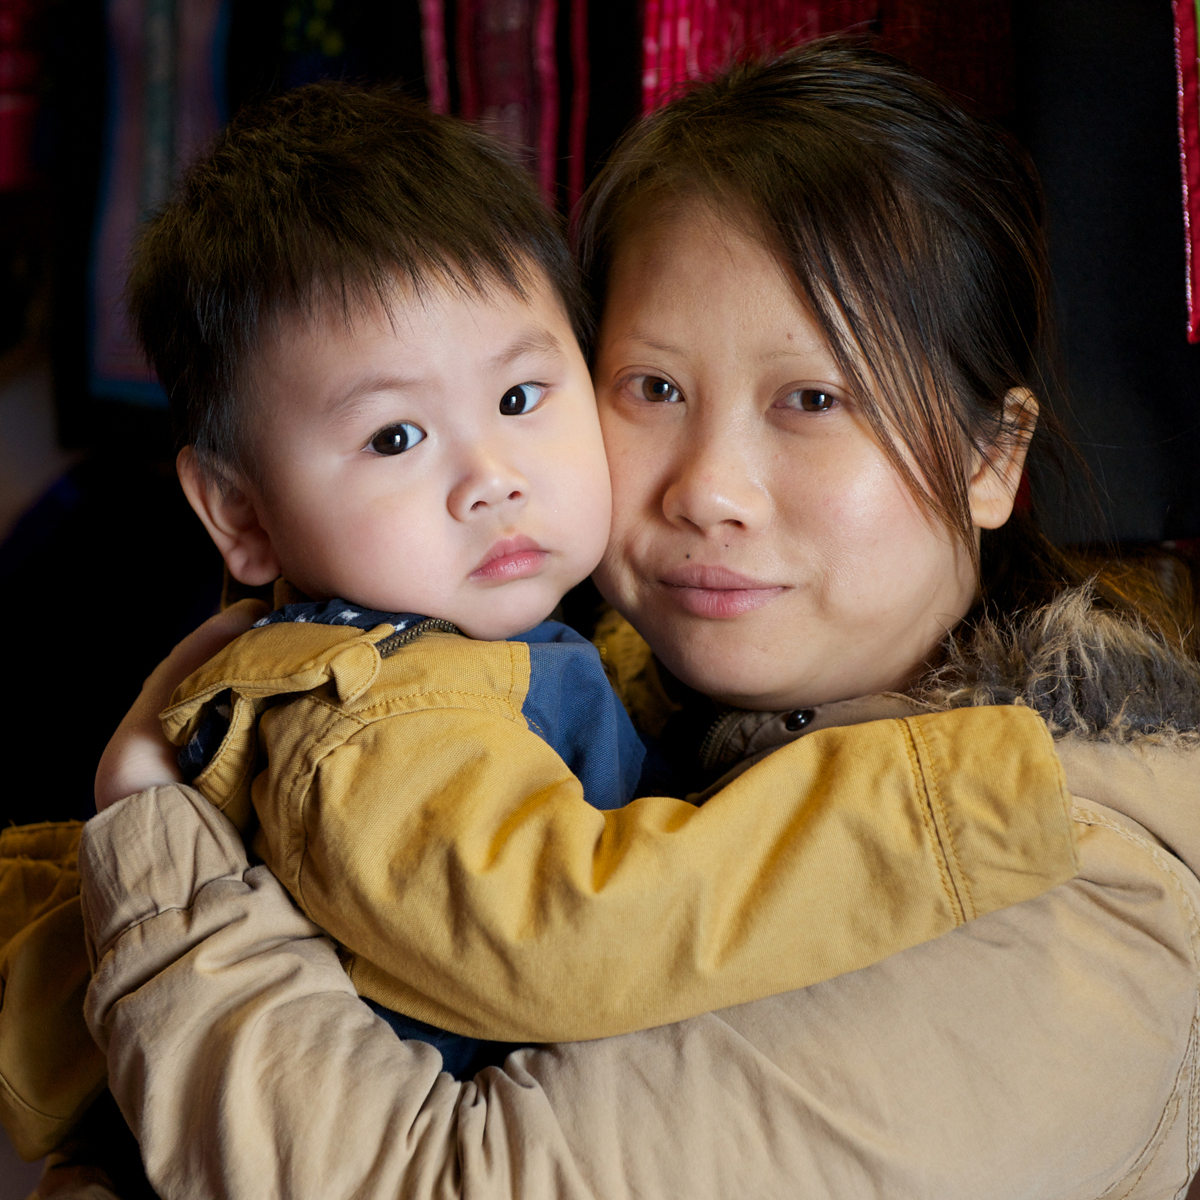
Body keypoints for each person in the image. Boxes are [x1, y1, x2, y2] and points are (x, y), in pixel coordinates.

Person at [81, 40, 1200, 1198]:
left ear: (991, 456)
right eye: (653, 388)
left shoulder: (1055, 893)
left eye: (812, 399)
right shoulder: (586, 709)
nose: (706, 487)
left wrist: (165, 878)